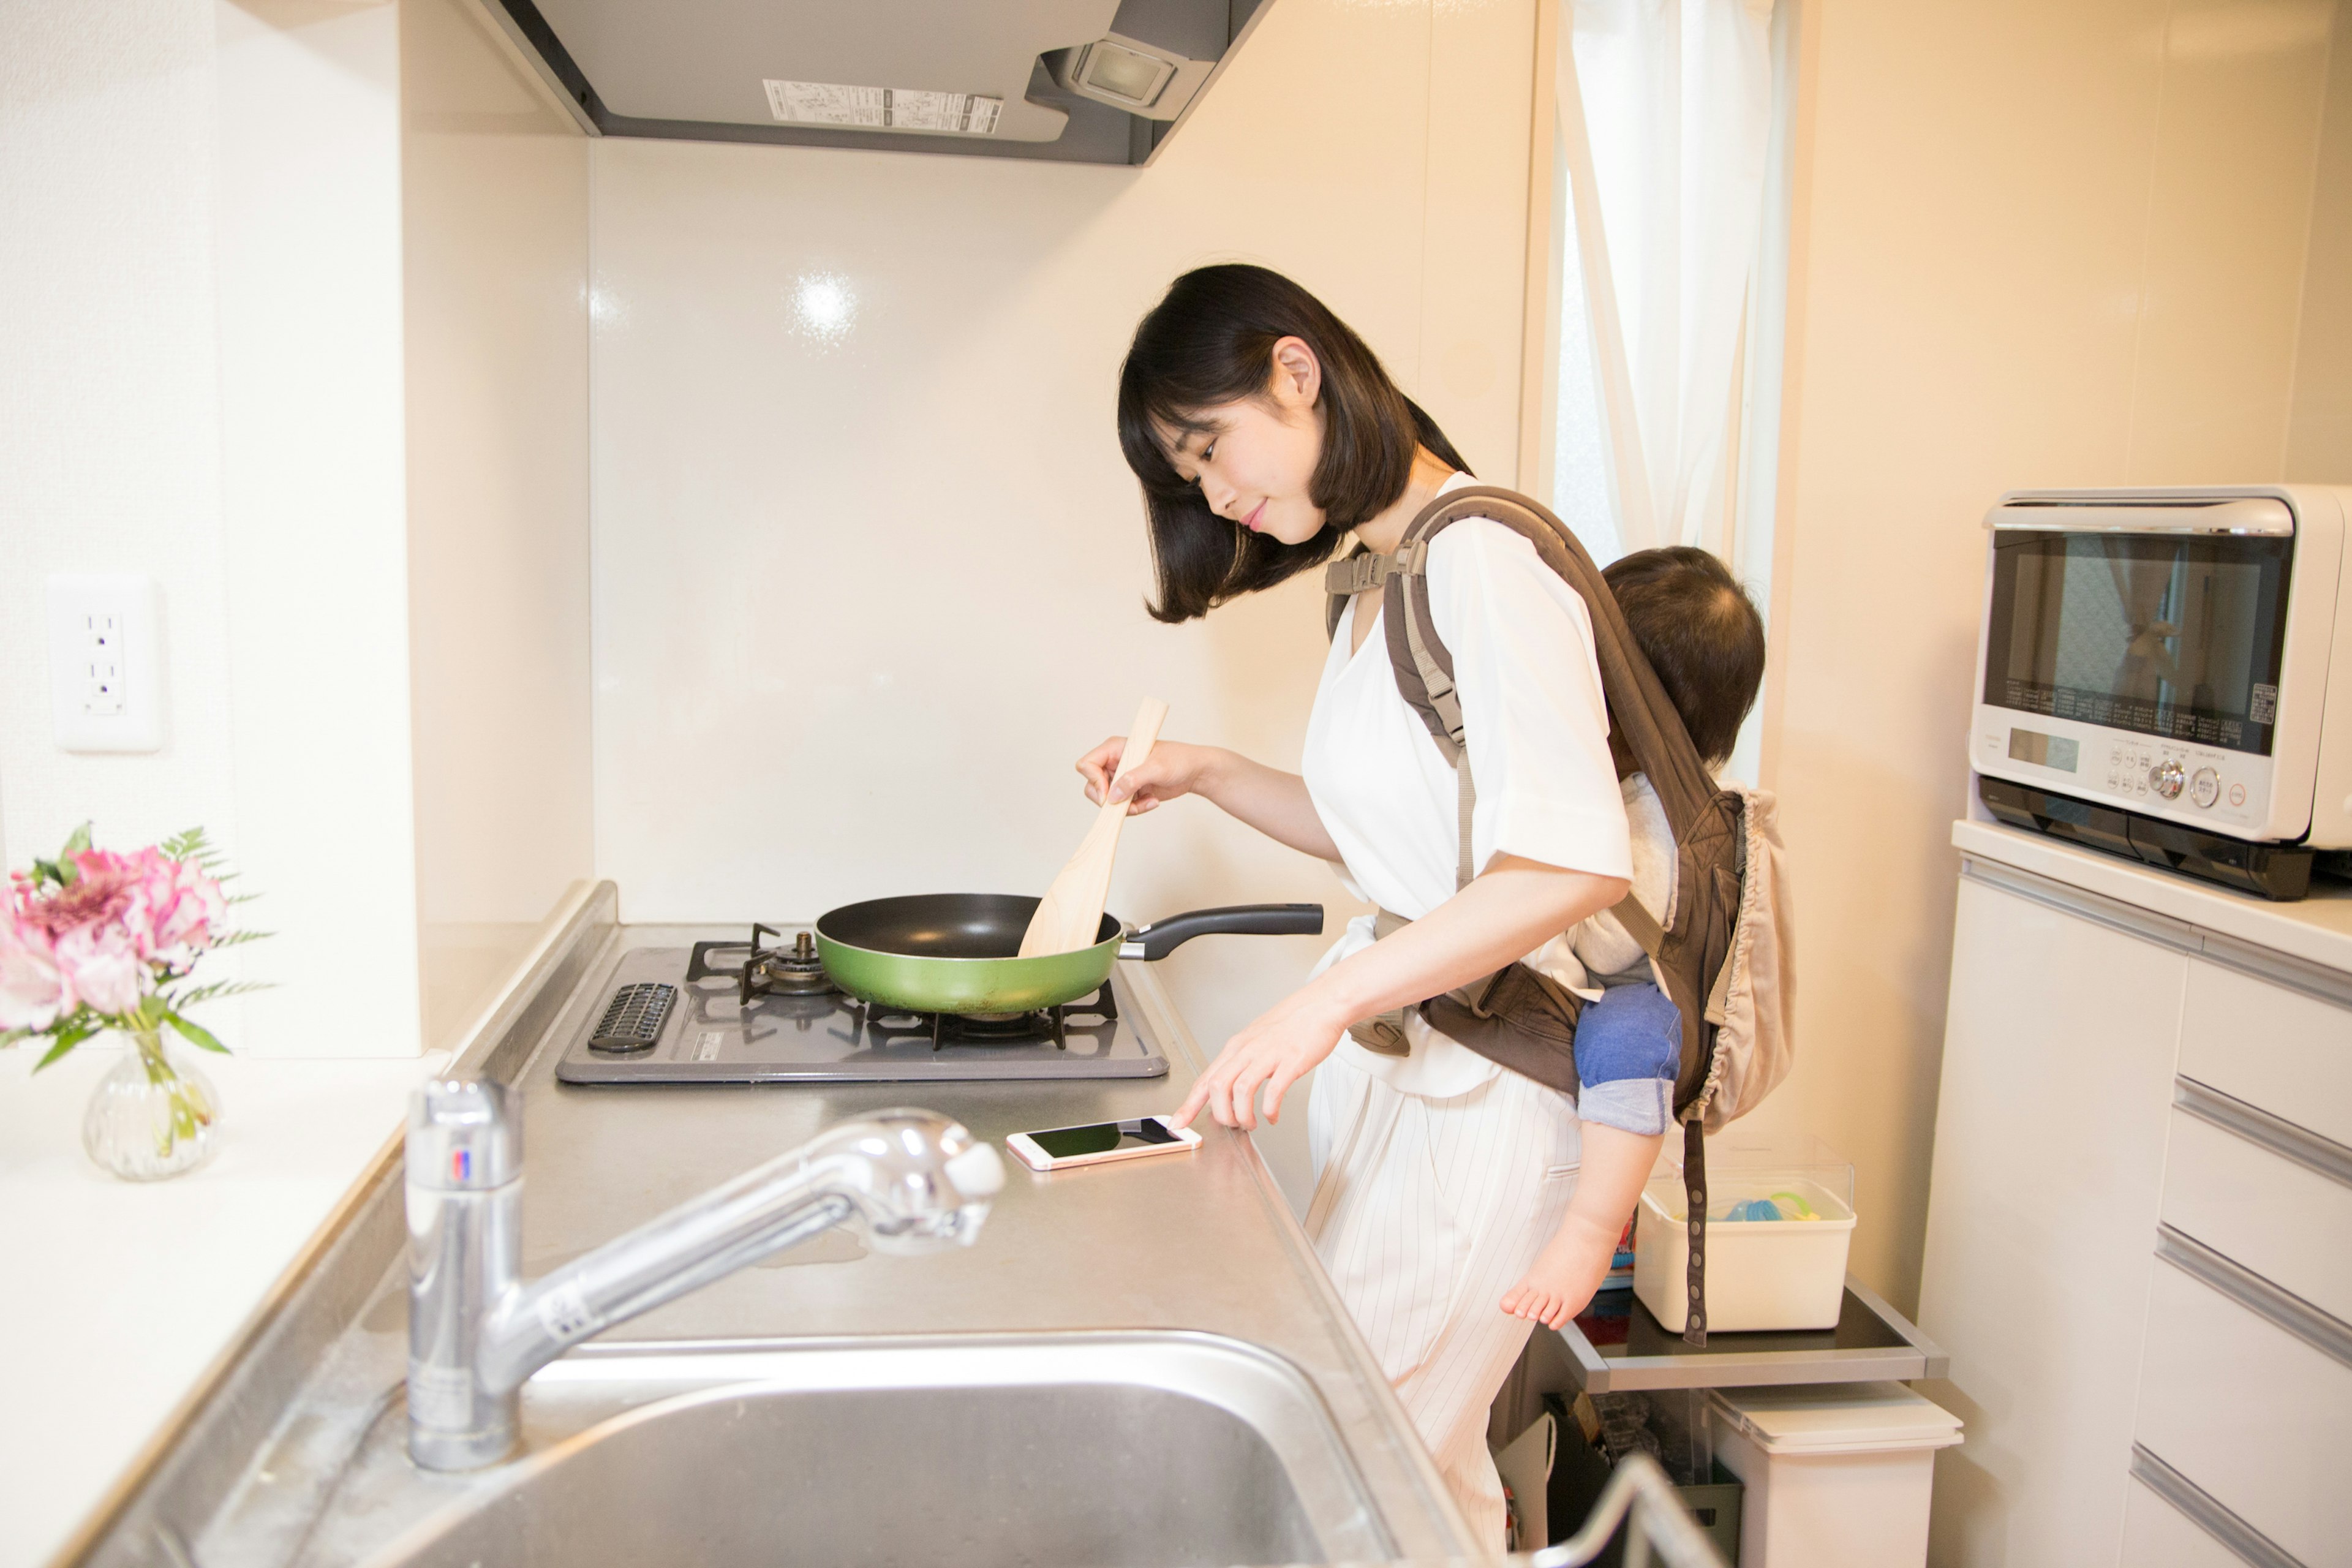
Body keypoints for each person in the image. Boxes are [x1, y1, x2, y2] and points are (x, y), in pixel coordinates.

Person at [1076, 263, 1636, 1548]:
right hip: (1417, 1086)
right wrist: (1206, 770)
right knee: (1417, 1480)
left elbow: (1569, 861)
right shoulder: (1385, 574)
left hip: (1494, 1100)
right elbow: (1406, 846)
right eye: (1187, 475)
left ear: (1296, 369)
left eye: (1209, 446)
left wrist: (1324, 1000)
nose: (1214, 494)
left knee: (1343, 1475)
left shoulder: (1483, 555)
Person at [1498, 546, 1768, 1330]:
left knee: (1632, 1042)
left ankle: (1592, 1230)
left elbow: (1615, 941)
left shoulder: (1661, 811)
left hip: (1631, 986)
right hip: (1579, 971)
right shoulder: (1601, 772)